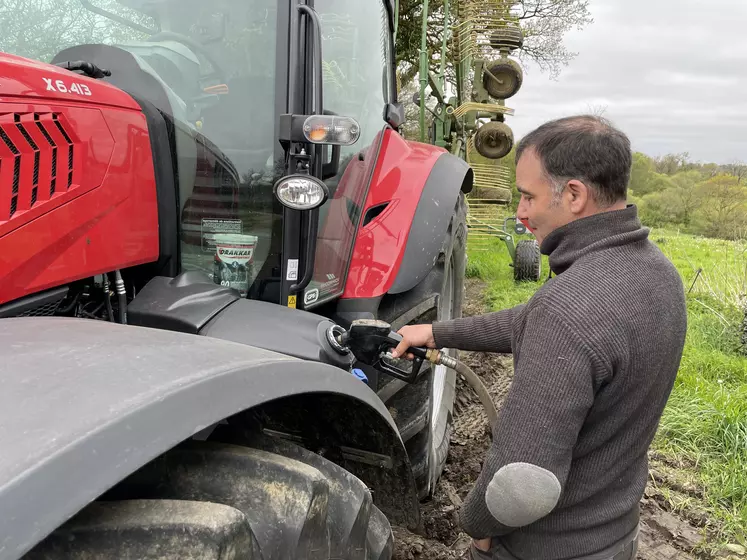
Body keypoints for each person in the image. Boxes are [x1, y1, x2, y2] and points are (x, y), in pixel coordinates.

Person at [392, 115, 688, 560]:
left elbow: (521, 484)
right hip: (615, 535)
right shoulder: (659, 275)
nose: (520, 212)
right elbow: (536, 321)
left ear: (573, 195)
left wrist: (477, 527)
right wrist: (436, 331)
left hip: (544, 548)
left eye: (528, 196)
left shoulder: (570, 305)